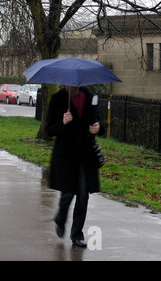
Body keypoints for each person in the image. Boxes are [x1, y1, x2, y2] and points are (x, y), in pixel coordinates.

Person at [46, 85, 105, 247]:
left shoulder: (91, 97)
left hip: (85, 156)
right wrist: (62, 123)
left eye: (72, 84)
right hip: (66, 156)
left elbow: (99, 121)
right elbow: (49, 130)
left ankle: (76, 234)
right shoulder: (57, 99)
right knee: (67, 194)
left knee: (83, 196)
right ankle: (60, 218)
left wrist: (98, 127)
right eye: (66, 84)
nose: (68, 86)